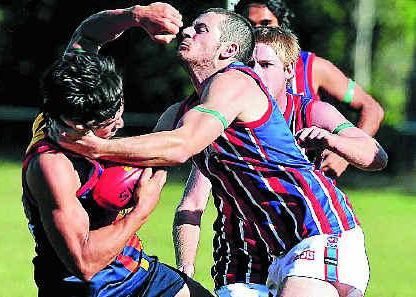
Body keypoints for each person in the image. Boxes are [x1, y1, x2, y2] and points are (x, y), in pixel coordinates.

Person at [53, 7, 387, 297]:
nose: (187, 31)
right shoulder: (181, 112)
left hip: (319, 232)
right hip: (280, 250)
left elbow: (180, 147)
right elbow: (147, 165)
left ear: (228, 50)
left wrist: (96, 146)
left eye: (201, 30)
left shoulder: (236, 82)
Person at [171, 26, 388, 297]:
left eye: (265, 65)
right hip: (243, 257)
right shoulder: (218, 118)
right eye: (248, 65)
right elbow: (191, 204)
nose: (254, 73)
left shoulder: (311, 112)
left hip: (308, 239)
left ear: (289, 71)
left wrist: (335, 144)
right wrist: (185, 268)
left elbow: (376, 156)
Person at [22, 3, 214, 296]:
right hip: (92, 289)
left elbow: (87, 36)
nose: (120, 123)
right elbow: (84, 263)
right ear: (77, 124)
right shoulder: (53, 166)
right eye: (109, 123)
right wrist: (142, 209)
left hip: (138, 272)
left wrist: (136, 16)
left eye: (119, 112)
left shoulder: (73, 83)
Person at [234, 0, 385, 179]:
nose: (257, 30)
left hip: (309, 191)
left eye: (266, 24)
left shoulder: (312, 67)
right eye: (250, 25)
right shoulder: (232, 73)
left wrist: (342, 155)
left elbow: (372, 108)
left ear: (281, 25)